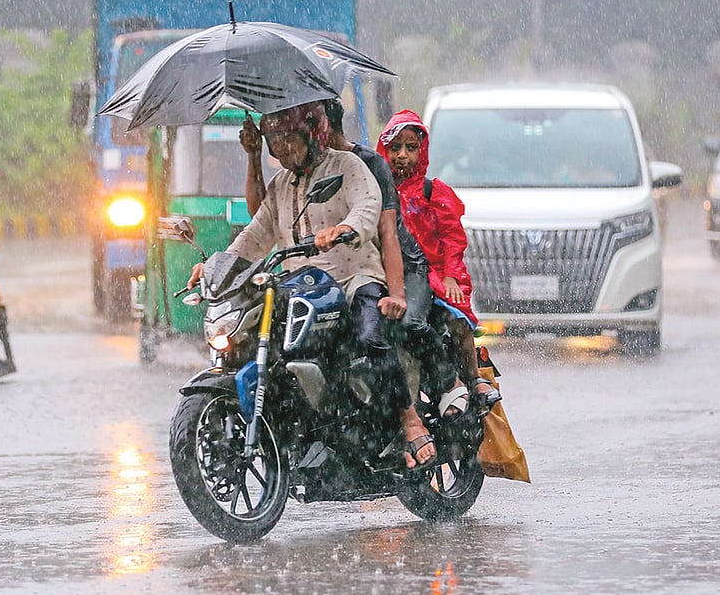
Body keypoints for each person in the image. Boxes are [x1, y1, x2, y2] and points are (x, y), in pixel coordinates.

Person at [205, 101, 437, 468]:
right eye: (275, 146)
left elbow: (367, 207)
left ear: (312, 134)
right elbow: (255, 234)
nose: (281, 154)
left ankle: (409, 420)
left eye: (288, 143)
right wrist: (214, 268)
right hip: (301, 286)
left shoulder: (348, 167)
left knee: (370, 337)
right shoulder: (282, 184)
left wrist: (345, 229)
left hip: (352, 277)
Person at [378, 109, 499, 408]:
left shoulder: (433, 191)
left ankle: (471, 378)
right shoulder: (379, 192)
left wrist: (449, 276)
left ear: (422, 151)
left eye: (411, 148)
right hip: (391, 270)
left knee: (455, 316)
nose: (402, 156)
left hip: (434, 270)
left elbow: (452, 240)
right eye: (395, 149)